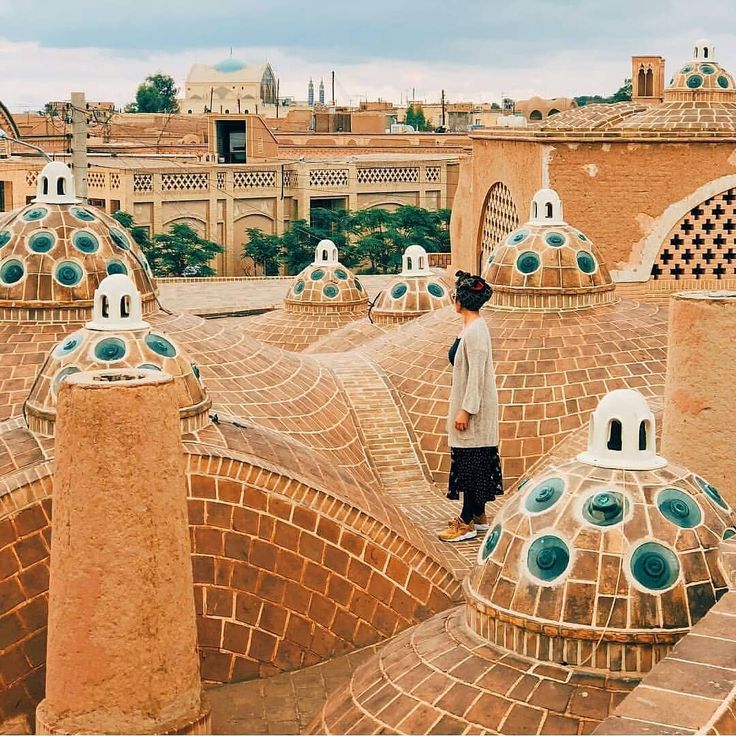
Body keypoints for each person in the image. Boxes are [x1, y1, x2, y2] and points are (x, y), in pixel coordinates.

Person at [438, 271, 503, 542]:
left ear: (461, 301)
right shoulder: (470, 327)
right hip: (471, 408)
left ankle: (465, 522)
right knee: (474, 465)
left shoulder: (476, 332)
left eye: (454, 295)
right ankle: (479, 516)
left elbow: (476, 375)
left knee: (471, 466)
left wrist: (466, 410)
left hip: (474, 413)